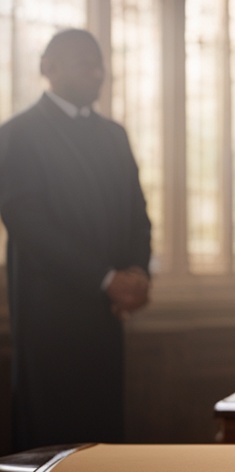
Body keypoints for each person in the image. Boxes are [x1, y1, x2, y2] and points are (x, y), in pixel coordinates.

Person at [0, 29, 152, 450]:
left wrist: (138, 271)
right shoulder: (18, 134)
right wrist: (106, 278)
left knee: (103, 444)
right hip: (51, 321)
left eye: (99, 62)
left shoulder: (114, 135)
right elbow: (29, 225)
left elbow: (137, 215)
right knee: (54, 445)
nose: (97, 71)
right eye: (84, 62)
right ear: (47, 68)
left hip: (107, 318)